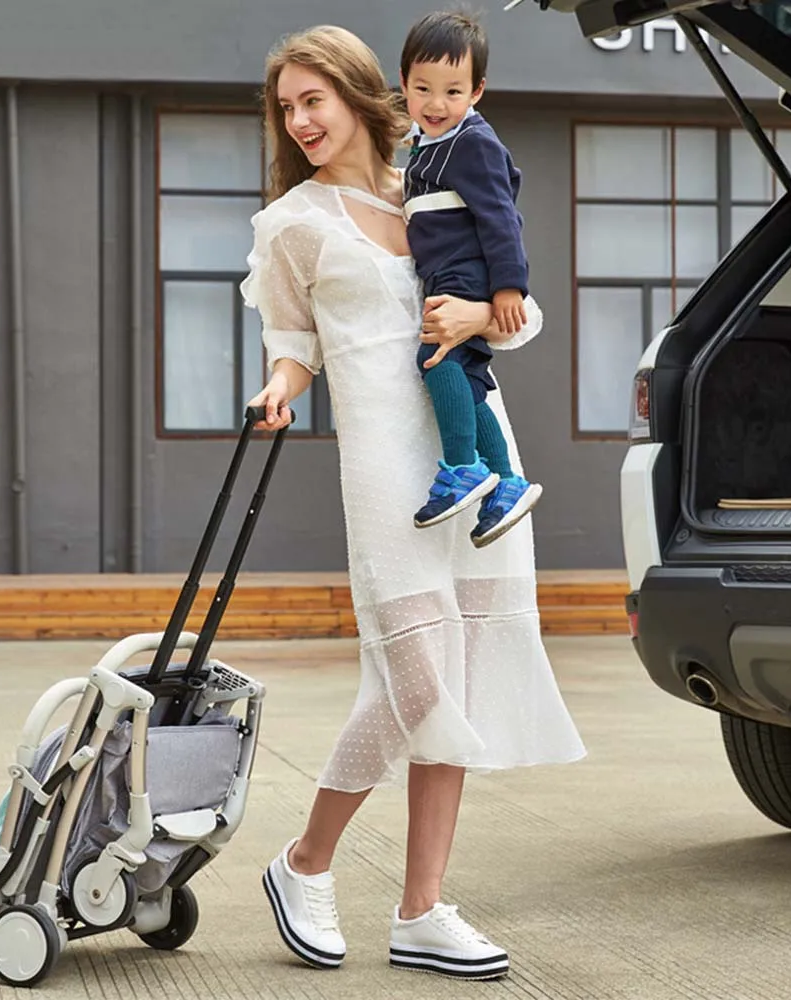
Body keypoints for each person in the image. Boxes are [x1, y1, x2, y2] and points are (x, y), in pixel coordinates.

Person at [242, 24, 585, 981]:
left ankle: (421, 909)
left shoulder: (439, 169)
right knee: (415, 680)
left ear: (358, 96)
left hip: (477, 456)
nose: (301, 120)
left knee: (460, 679)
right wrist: (279, 387)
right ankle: (306, 862)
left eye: (314, 99)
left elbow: (520, 309)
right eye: (288, 108)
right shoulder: (292, 224)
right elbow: (292, 338)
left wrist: (483, 314)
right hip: (392, 469)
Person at [401, 11, 543, 544]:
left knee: (433, 356)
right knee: (472, 384)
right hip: (448, 272)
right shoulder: (427, 144)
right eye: (423, 89)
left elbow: (501, 215)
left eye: (453, 91)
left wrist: (509, 286)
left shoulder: (473, 144)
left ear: (477, 91)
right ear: (404, 84)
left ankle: (463, 467)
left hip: (466, 275)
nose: (436, 105)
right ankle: (506, 482)